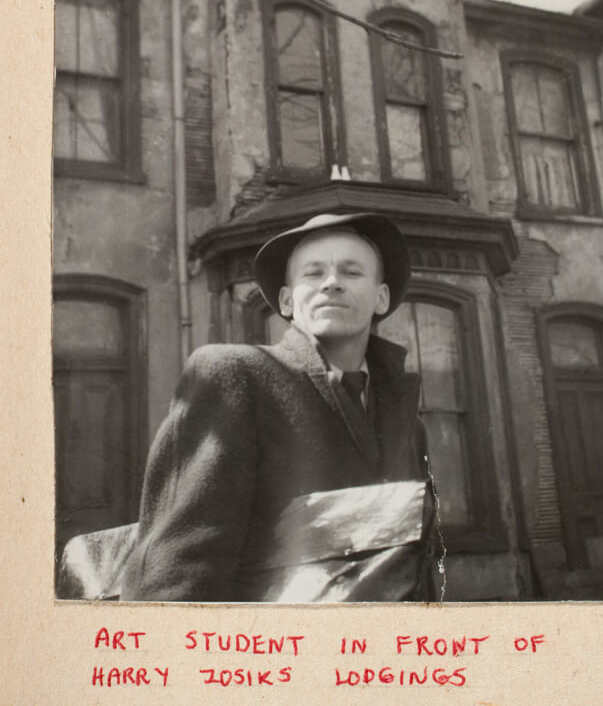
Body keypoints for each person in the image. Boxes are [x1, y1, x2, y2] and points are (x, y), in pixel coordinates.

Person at [119, 212, 438, 602]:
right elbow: (176, 568)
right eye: (313, 273)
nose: (332, 283)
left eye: (352, 272)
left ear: (381, 297)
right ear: (286, 301)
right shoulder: (234, 375)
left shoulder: (405, 421)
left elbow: (416, 563)